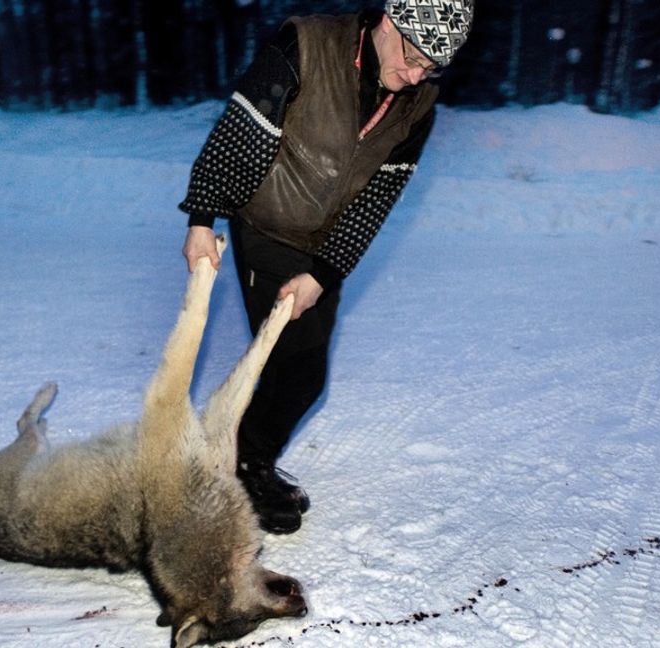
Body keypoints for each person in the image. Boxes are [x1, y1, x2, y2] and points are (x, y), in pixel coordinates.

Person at [178, 0, 474, 534]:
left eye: (431, 68)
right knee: (301, 368)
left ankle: (242, 457)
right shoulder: (306, 46)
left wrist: (323, 273)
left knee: (297, 369)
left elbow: (378, 198)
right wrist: (203, 219)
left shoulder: (418, 101)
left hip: (324, 244)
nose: (414, 77)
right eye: (412, 58)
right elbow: (238, 137)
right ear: (389, 22)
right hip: (267, 225)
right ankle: (242, 468)